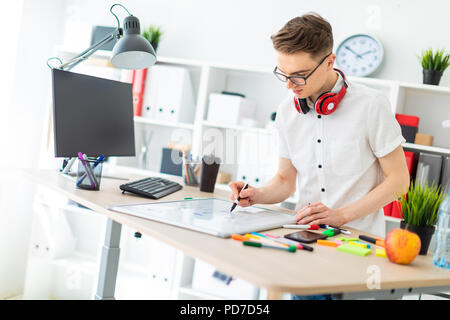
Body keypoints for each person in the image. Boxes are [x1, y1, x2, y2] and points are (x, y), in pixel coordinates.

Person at [228, 13, 410, 300]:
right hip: (305, 246)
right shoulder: (287, 111)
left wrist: (340, 215)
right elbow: (285, 181)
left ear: (329, 62)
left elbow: (399, 182)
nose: (289, 85)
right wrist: (257, 194)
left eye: (299, 75)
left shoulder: (371, 105)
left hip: (356, 253)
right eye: (282, 74)